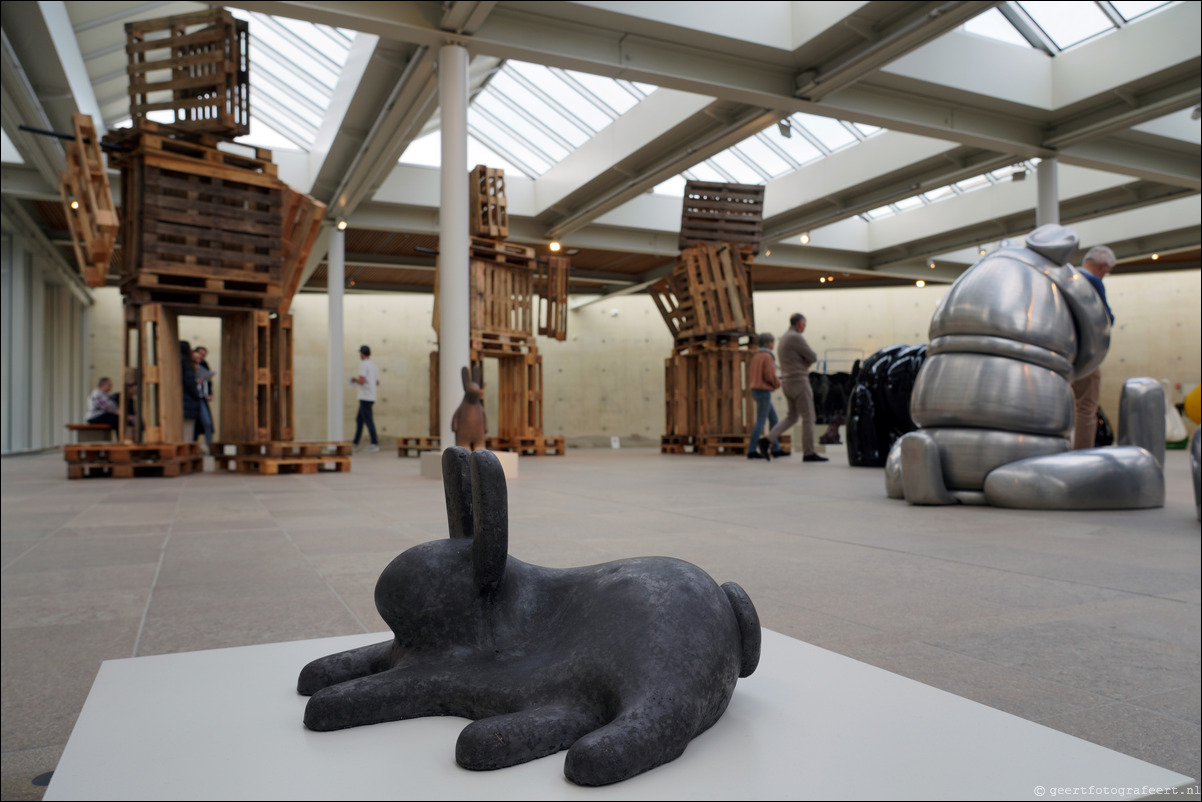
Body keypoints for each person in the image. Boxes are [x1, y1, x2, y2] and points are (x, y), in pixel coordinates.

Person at [761, 313, 827, 463]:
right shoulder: (795, 337)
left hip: (788, 382)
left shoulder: (784, 337)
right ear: (798, 324)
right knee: (809, 417)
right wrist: (805, 361)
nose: (805, 327)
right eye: (804, 324)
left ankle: (767, 440)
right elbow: (813, 356)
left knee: (792, 417)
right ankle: (809, 453)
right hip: (799, 381)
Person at [1071, 245, 1116, 450]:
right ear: (1104, 266)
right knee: (1086, 407)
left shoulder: (1067, 277)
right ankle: (1082, 455)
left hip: (1059, 351)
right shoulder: (1093, 281)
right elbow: (1105, 318)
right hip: (1083, 355)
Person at [747, 332, 786, 460]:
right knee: (761, 421)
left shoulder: (757, 356)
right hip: (764, 391)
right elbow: (770, 375)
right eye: (772, 342)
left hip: (757, 390)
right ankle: (752, 450)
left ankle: (776, 448)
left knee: (774, 419)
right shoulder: (767, 357)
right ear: (768, 343)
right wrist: (778, 382)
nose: (773, 344)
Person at [351, 344, 380, 451]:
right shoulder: (374, 365)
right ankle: (355, 442)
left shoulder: (363, 365)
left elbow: (362, 380)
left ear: (362, 354)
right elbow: (377, 382)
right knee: (359, 420)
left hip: (365, 397)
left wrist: (354, 380)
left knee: (368, 421)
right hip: (372, 396)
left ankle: (374, 443)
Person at [192, 346, 215, 453]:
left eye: (203, 355)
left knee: (207, 423)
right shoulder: (189, 365)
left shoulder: (204, 365)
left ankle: (209, 445)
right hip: (195, 397)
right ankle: (193, 446)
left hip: (203, 397)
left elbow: (208, 380)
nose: (201, 357)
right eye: (200, 354)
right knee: (195, 424)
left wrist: (209, 393)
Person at [180, 340, 202, 443]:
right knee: (187, 430)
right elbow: (190, 383)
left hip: (179, 400)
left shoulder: (176, 362)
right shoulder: (187, 364)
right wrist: (197, 395)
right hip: (188, 400)